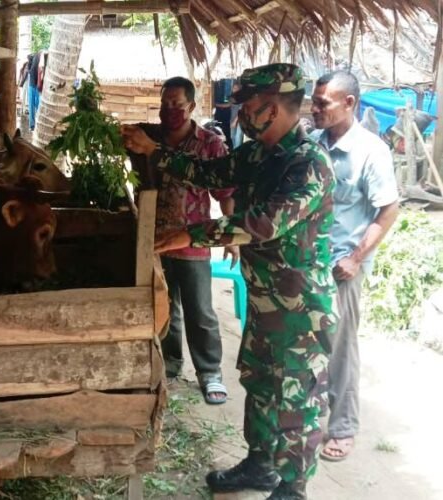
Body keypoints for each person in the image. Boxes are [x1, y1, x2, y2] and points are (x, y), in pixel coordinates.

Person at [122, 63, 338, 500]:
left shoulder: (307, 163)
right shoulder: (258, 154)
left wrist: (193, 234)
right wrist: (155, 152)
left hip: (300, 308)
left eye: (247, 106)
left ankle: (293, 488)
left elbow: (264, 223)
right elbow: (210, 173)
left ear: (272, 108)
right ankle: (260, 465)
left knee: (296, 399)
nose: (240, 115)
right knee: (259, 383)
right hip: (265, 299)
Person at [129, 76, 235, 405]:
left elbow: (225, 192)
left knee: (200, 310)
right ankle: (171, 364)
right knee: (165, 307)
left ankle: (209, 371)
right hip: (154, 240)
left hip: (193, 242)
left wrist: (231, 235)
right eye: (164, 104)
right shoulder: (148, 136)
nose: (169, 110)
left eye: (176, 104)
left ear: (191, 106)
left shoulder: (209, 144)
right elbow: (115, 134)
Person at [310, 71, 399, 462]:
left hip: (342, 267)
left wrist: (355, 258)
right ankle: (311, 415)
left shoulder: (370, 151)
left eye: (323, 103)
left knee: (341, 347)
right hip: (309, 263)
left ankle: (343, 427)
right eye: (314, 102)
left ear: (349, 103)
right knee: (309, 343)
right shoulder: (314, 144)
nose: (314, 109)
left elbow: (388, 210)